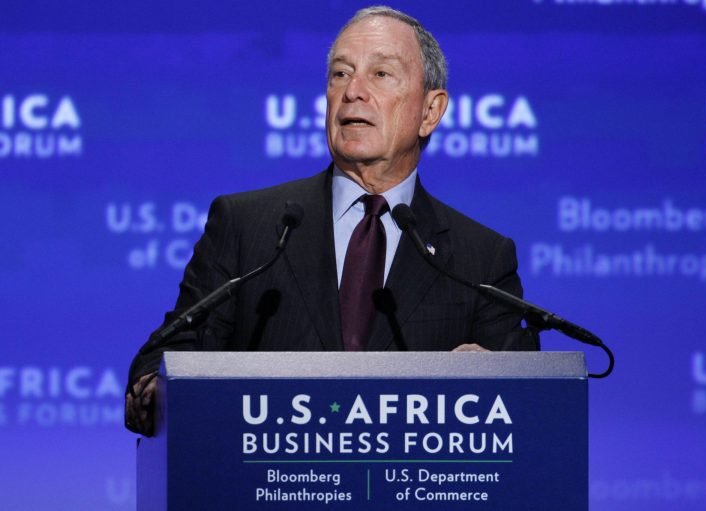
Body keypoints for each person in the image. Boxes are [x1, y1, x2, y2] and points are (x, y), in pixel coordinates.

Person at [125, 6, 538, 436]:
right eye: (341, 74)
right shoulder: (248, 227)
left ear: (430, 112)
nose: (353, 92)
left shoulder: (480, 260)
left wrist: (497, 380)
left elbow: (524, 414)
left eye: (381, 74)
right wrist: (154, 391)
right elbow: (163, 361)